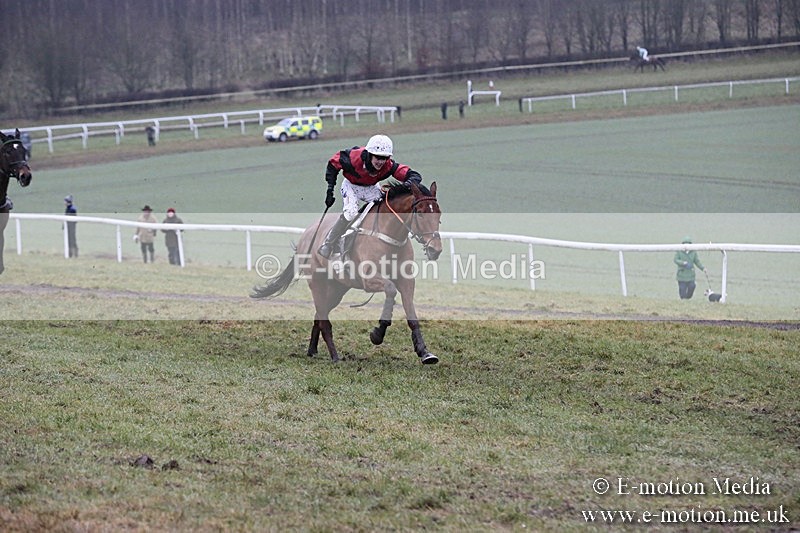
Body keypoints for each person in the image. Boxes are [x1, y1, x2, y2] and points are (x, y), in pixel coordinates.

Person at [317, 134, 423, 258]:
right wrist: (330, 190)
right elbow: (332, 165)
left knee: (383, 208)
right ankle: (328, 243)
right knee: (351, 212)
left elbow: (415, 176)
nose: (381, 162)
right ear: (369, 154)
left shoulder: (388, 165)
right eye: (377, 157)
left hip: (370, 188)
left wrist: (406, 185)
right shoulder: (352, 157)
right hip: (351, 186)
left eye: (384, 158)